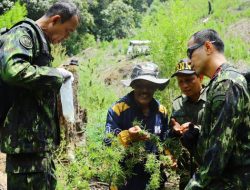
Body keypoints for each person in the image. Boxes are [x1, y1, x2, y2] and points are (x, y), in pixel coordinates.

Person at [0, 1, 79, 189]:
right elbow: (13, 71)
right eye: (67, 31)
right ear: (56, 20)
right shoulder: (23, 34)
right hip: (25, 147)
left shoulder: (40, 40)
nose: (66, 37)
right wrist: (55, 74)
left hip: (37, 146)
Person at [183, 29, 250, 189]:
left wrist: (193, 186)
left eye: (190, 52)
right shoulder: (220, 82)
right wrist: (199, 137)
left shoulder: (226, 84)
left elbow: (218, 152)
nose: (189, 60)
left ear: (207, 47)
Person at [104, 62, 169, 190]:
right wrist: (128, 136)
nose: (144, 90)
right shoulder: (118, 109)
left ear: (156, 87)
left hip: (152, 179)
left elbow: (164, 142)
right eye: (140, 85)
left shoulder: (161, 111)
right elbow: (108, 142)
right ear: (133, 85)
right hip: (125, 178)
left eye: (149, 85)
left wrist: (168, 157)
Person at [169, 59, 206, 190]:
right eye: (180, 81)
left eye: (189, 80)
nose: (184, 85)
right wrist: (174, 131)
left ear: (200, 77)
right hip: (186, 170)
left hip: (209, 167)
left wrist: (199, 130)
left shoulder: (213, 99)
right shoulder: (177, 104)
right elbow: (172, 135)